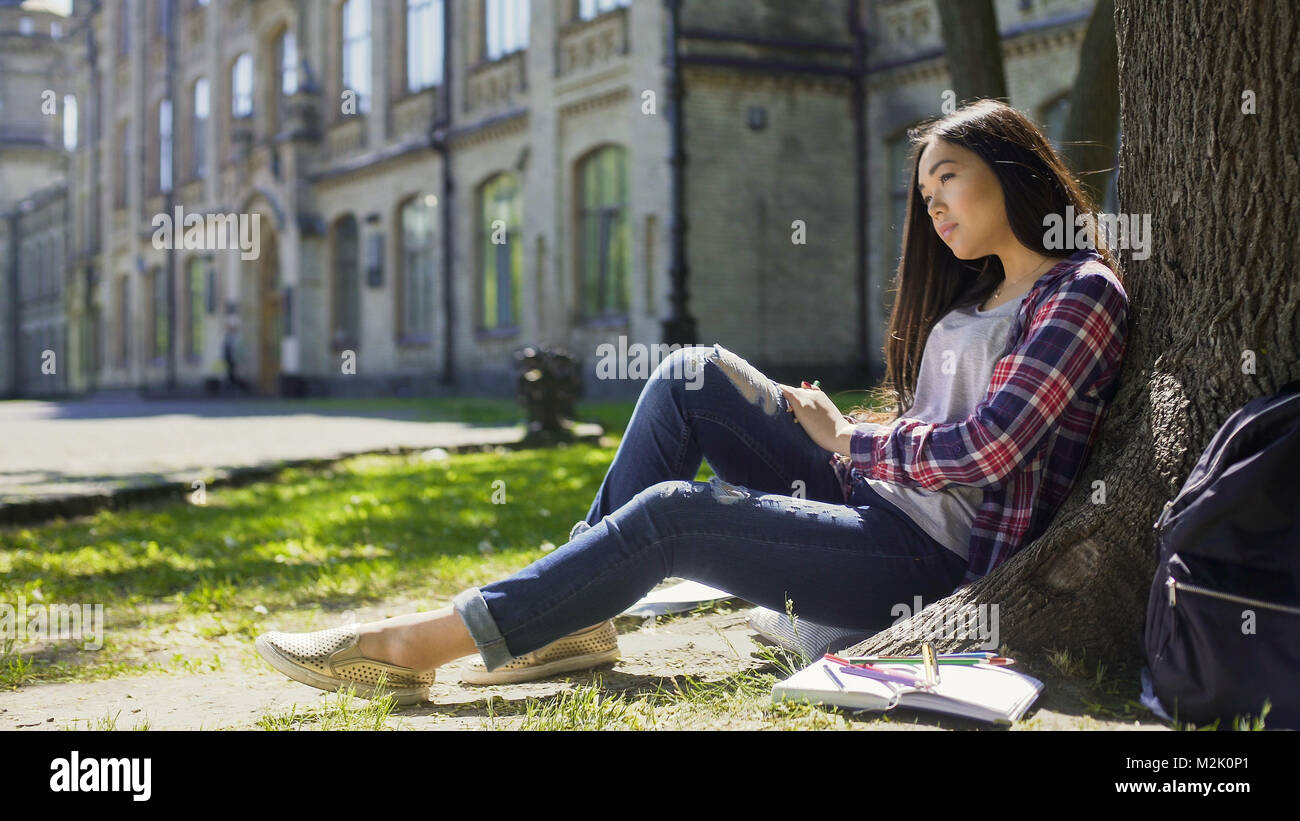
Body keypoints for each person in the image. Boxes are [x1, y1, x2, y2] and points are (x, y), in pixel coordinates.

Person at [252, 99, 1130, 704]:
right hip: (880, 500)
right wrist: (844, 429)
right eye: (925, 191)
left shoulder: (1079, 293)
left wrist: (850, 442)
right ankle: (571, 617)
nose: (934, 204)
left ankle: (417, 647)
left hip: (928, 565)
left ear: (1013, 170)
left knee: (676, 513)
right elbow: (941, 431)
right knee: (694, 374)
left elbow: (989, 449)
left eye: (951, 179)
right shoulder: (975, 296)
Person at [222, 318, 250, 394]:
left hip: (235, 358)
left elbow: (241, 349)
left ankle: (240, 388)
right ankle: (233, 388)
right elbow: (225, 347)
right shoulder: (227, 336)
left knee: (235, 374)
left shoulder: (238, 337)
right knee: (230, 373)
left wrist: (241, 358)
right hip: (229, 358)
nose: (229, 328)